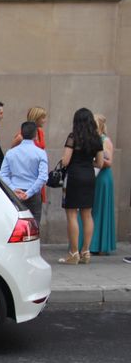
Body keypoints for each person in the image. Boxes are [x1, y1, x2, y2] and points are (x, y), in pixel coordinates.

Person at [58, 108, 104, 265]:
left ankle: (74, 252)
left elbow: (65, 161)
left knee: (72, 214)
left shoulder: (73, 137)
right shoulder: (97, 139)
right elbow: (100, 163)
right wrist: (87, 163)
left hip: (74, 177)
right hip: (89, 177)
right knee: (87, 214)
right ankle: (86, 251)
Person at [78, 113, 116, 254]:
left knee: (99, 210)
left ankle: (99, 246)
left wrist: (93, 159)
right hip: (92, 176)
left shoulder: (105, 140)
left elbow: (109, 162)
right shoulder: (91, 139)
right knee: (90, 211)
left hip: (102, 177)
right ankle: (89, 244)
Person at [0, 122, 48, 225]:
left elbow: (2, 175)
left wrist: (13, 189)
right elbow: (43, 177)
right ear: (35, 135)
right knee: (34, 227)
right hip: (33, 193)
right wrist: (29, 192)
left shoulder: (11, 153)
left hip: (15, 193)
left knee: (15, 226)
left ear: (21, 133)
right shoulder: (40, 153)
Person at [12, 106, 49, 203]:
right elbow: (12, 152)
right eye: (43, 117)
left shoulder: (40, 132)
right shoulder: (21, 135)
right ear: (36, 118)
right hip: (26, 173)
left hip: (38, 172)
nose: (45, 120)